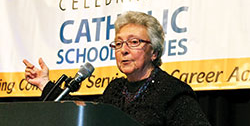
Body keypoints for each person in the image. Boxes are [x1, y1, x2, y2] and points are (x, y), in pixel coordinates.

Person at [24, 11, 211, 126]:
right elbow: (87, 118)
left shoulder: (172, 91)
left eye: (134, 42)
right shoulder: (115, 89)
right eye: (119, 43)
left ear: (154, 52)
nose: (124, 50)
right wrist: (45, 83)